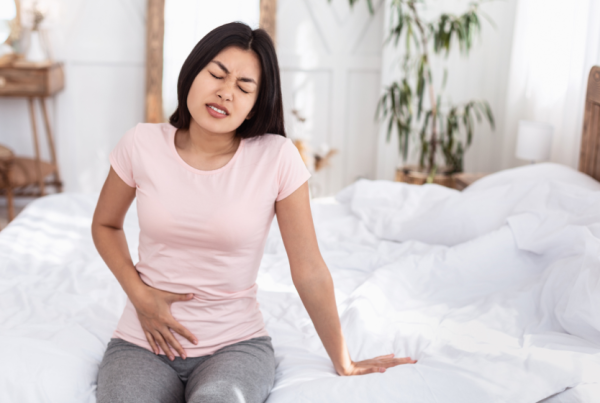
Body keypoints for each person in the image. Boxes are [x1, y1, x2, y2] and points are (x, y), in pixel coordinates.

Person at [91, 22, 416, 403]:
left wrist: (343, 360)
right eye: (216, 74)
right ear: (193, 73)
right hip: (141, 342)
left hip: (234, 346)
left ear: (255, 105)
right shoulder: (140, 143)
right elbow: (105, 224)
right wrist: (140, 296)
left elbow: (309, 268)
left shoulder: (276, 157)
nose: (225, 92)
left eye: (244, 87)